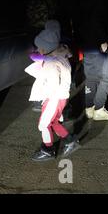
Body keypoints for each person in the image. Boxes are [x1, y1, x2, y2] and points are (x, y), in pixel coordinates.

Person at [25, 21, 80, 161]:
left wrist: (43, 96)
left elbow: (52, 85)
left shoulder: (51, 64)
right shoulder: (60, 56)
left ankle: (47, 149)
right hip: (60, 97)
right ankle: (70, 140)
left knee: (43, 124)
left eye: (40, 48)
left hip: (54, 98)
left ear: (46, 48)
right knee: (54, 122)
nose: (38, 50)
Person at [76, 0, 108, 121]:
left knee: (91, 77)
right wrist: (103, 40)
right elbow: (98, 21)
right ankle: (99, 108)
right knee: (107, 77)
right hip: (97, 43)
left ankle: (89, 107)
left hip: (85, 43)